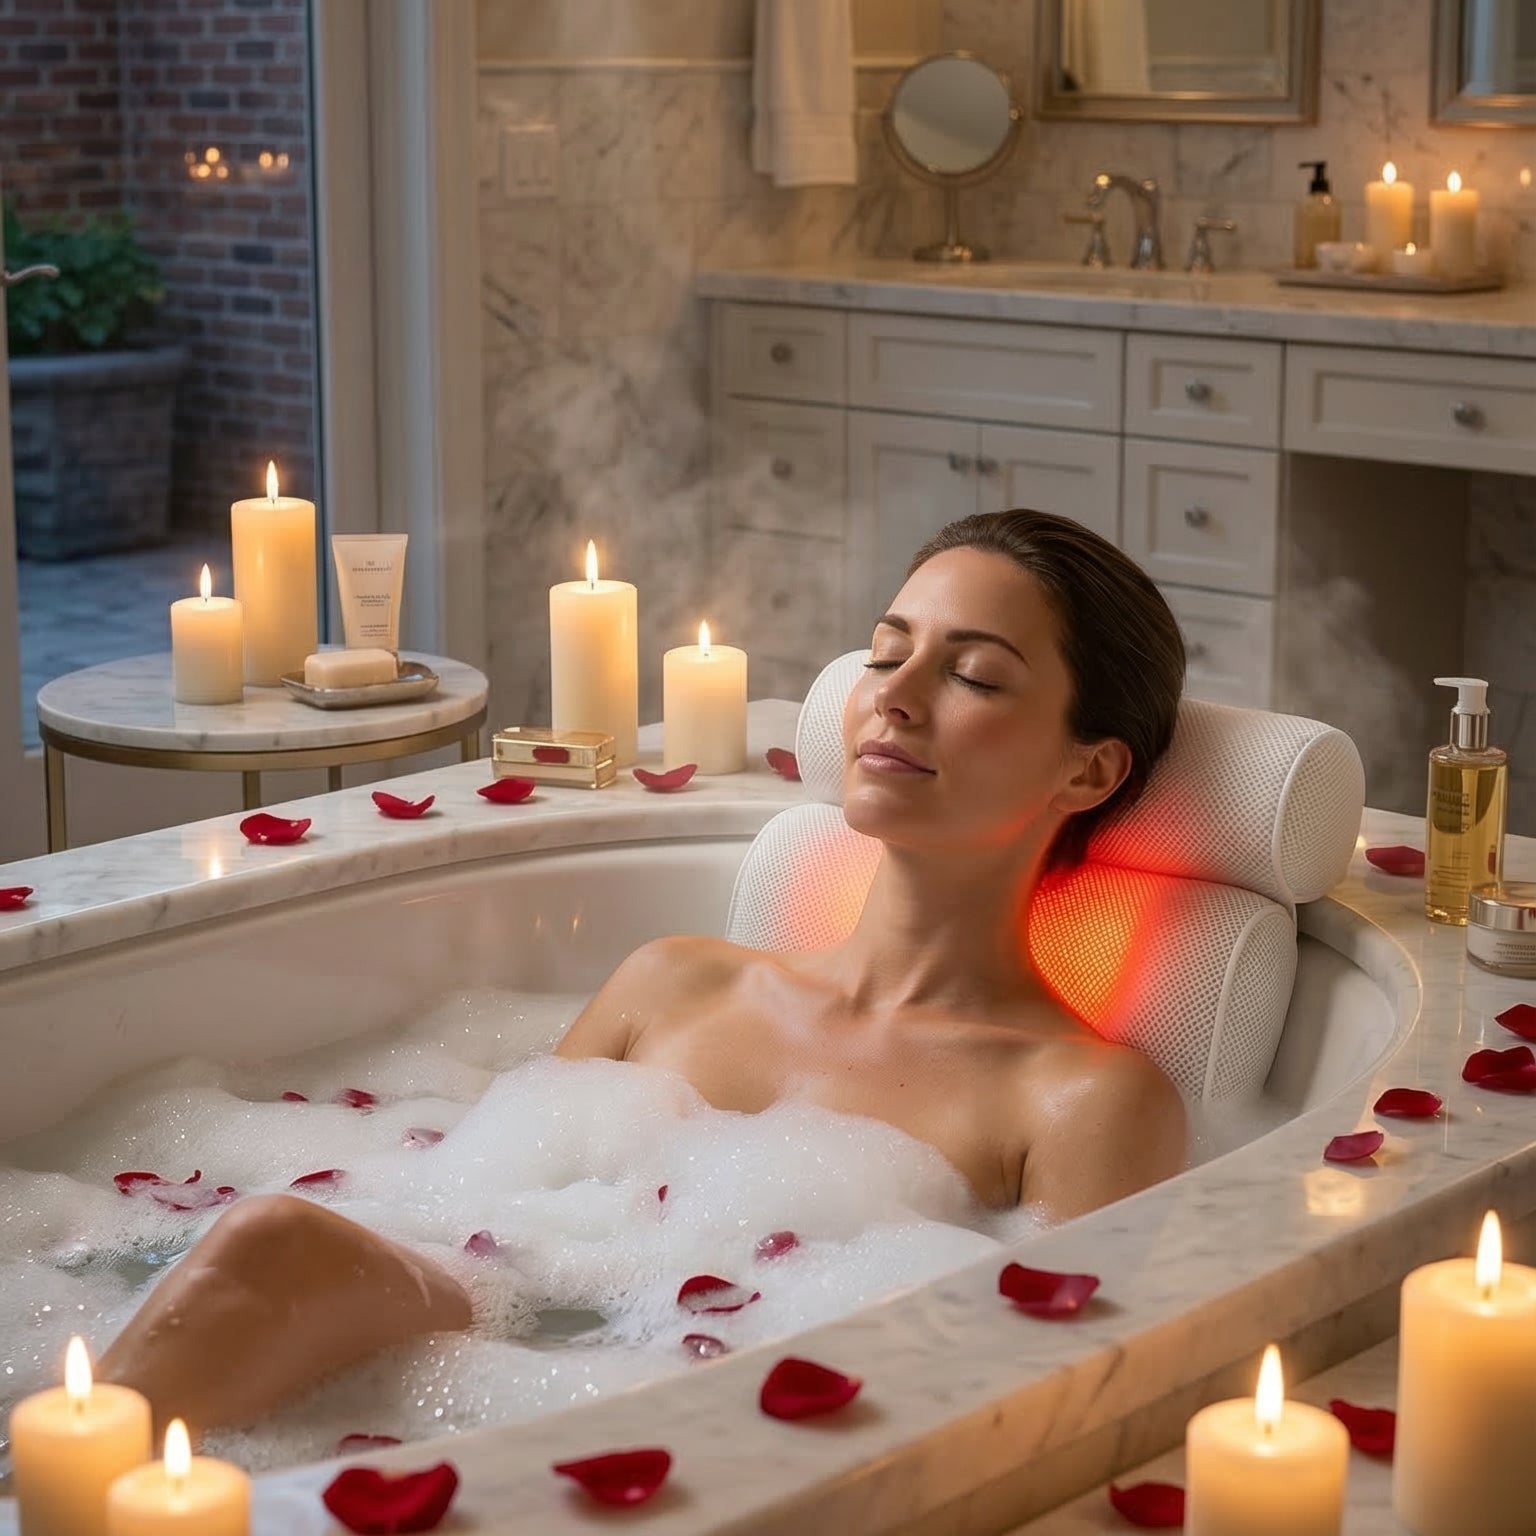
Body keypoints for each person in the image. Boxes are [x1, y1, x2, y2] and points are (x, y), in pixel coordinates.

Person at [100, 510, 1188, 1433]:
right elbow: (474, 1231)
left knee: (273, 1245)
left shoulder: (1079, 1098)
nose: (895, 697)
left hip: (717, 1451)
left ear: (1088, 768)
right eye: (884, 652)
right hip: (504, 1380)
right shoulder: (674, 986)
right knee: (273, 1241)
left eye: (975, 674)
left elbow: (1055, 1412)